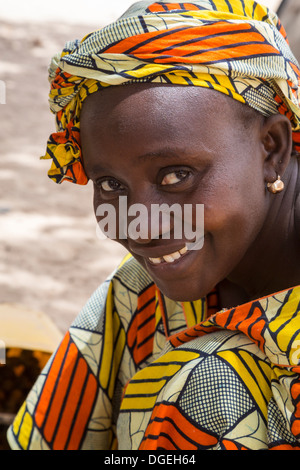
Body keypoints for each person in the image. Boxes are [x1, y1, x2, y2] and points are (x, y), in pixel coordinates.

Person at [7, 0, 300, 450]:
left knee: (210, 385)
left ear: (271, 147)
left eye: (177, 176)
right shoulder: (145, 292)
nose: (142, 226)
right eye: (109, 182)